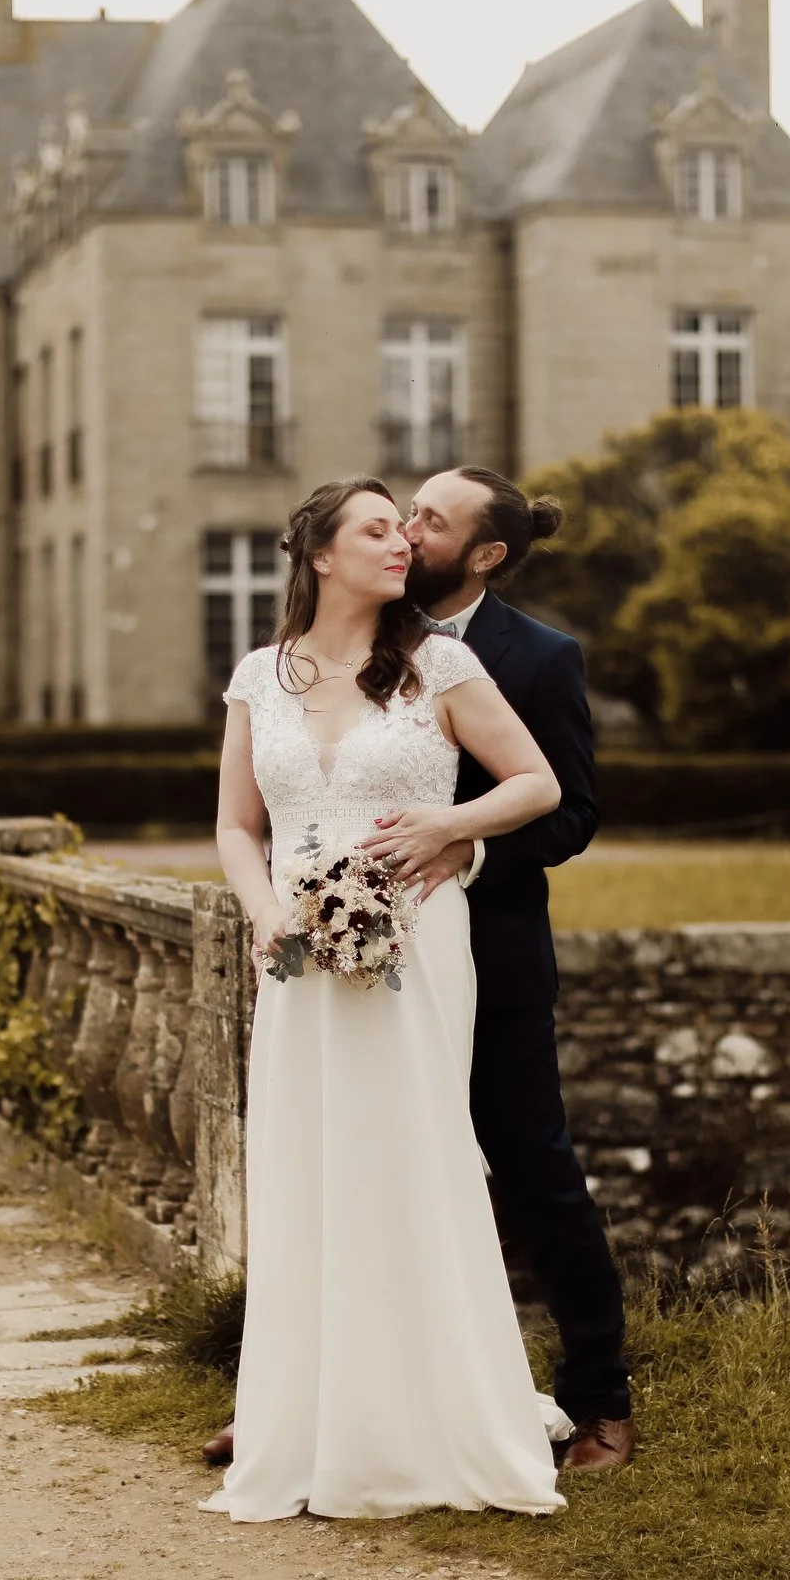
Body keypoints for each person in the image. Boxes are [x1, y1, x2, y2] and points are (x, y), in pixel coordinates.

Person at [202, 477, 572, 1521]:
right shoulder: (257, 676)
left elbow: (535, 782)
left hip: (415, 940)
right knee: (311, 1162)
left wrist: (449, 827)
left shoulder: (441, 664)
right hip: (297, 956)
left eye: (404, 527)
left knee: (411, 1148)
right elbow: (237, 825)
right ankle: (311, 1419)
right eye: (375, 528)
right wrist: (258, 908)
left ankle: (434, 1413)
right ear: (319, 554)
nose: (400, 541)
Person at [396, 466, 635, 1471]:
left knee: (537, 1171)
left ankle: (600, 1400)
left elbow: (572, 812)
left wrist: (471, 849)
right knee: (363, 1169)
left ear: (484, 553)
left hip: (491, 953)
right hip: (371, 956)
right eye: (405, 511)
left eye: (430, 519)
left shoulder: (539, 658)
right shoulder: (358, 636)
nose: (407, 530)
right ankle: (320, 1394)